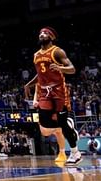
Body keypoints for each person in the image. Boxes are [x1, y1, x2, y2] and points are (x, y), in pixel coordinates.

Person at [24, 27, 81, 166]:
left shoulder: (57, 51)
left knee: (62, 123)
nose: (42, 34)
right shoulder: (36, 55)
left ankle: (75, 153)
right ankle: (66, 123)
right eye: (40, 33)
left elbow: (72, 69)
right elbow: (40, 74)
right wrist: (28, 85)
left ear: (51, 37)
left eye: (45, 33)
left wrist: (61, 68)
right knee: (44, 123)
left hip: (58, 91)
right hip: (44, 92)